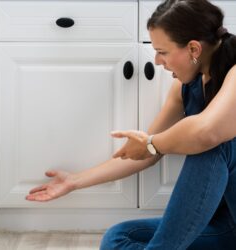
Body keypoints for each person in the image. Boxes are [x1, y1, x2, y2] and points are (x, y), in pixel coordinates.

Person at [26, 0, 236, 249]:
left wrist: (151, 144)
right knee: (118, 237)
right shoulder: (184, 87)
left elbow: (205, 133)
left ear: (193, 49)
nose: (157, 61)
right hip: (223, 226)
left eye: (163, 51)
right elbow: (144, 152)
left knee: (211, 145)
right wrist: (75, 181)